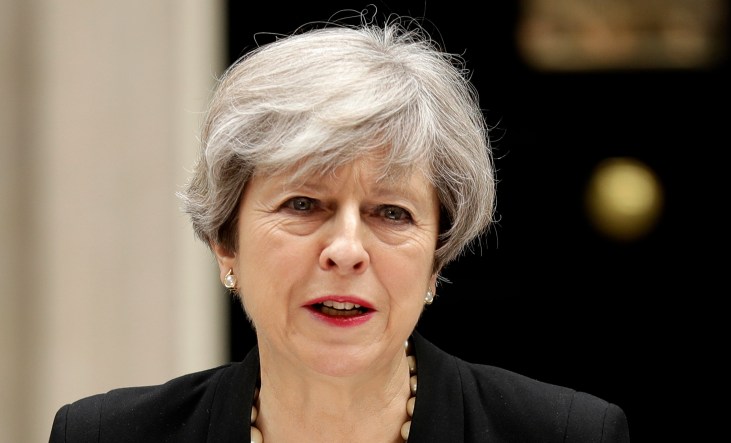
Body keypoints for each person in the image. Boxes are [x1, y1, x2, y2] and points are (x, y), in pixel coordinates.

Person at [48, 12, 630, 443]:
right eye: (303, 204)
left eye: (391, 212)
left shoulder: (567, 434)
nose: (347, 250)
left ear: (436, 257)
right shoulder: (102, 435)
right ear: (226, 242)